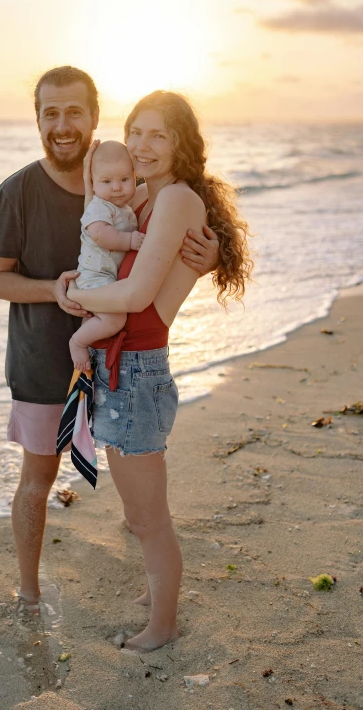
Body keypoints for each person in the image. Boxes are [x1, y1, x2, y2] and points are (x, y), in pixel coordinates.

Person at [0, 66, 220, 614]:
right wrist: (54, 289)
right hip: (44, 358)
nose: (62, 125)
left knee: (135, 494)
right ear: (37, 120)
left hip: (118, 359)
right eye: (50, 113)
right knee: (39, 480)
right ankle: (29, 593)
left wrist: (213, 257)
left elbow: (166, 248)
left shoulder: (128, 189)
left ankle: (156, 595)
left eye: (74, 112)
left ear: (94, 118)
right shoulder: (17, 191)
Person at [66, 90, 253, 651]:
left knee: (148, 518)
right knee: (137, 508)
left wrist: (75, 302)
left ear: (181, 145)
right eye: (136, 132)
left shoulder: (172, 200)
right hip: (123, 365)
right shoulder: (149, 199)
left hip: (139, 370)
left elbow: (143, 292)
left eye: (158, 135)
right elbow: (103, 228)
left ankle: (163, 626)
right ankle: (159, 590)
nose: (143, 146)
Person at [69, 140, 145, 372]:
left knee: (100, 319)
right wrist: (130, 241)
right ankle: (78, 342)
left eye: (124, 179)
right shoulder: (98, 206)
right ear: (93, 184)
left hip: (104, 277)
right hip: (94, 276)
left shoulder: (121, 208)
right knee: (115, 319)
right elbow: (101, 235)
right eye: (107, 181)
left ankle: (88, 337)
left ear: (134, 176)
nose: (117, 188)